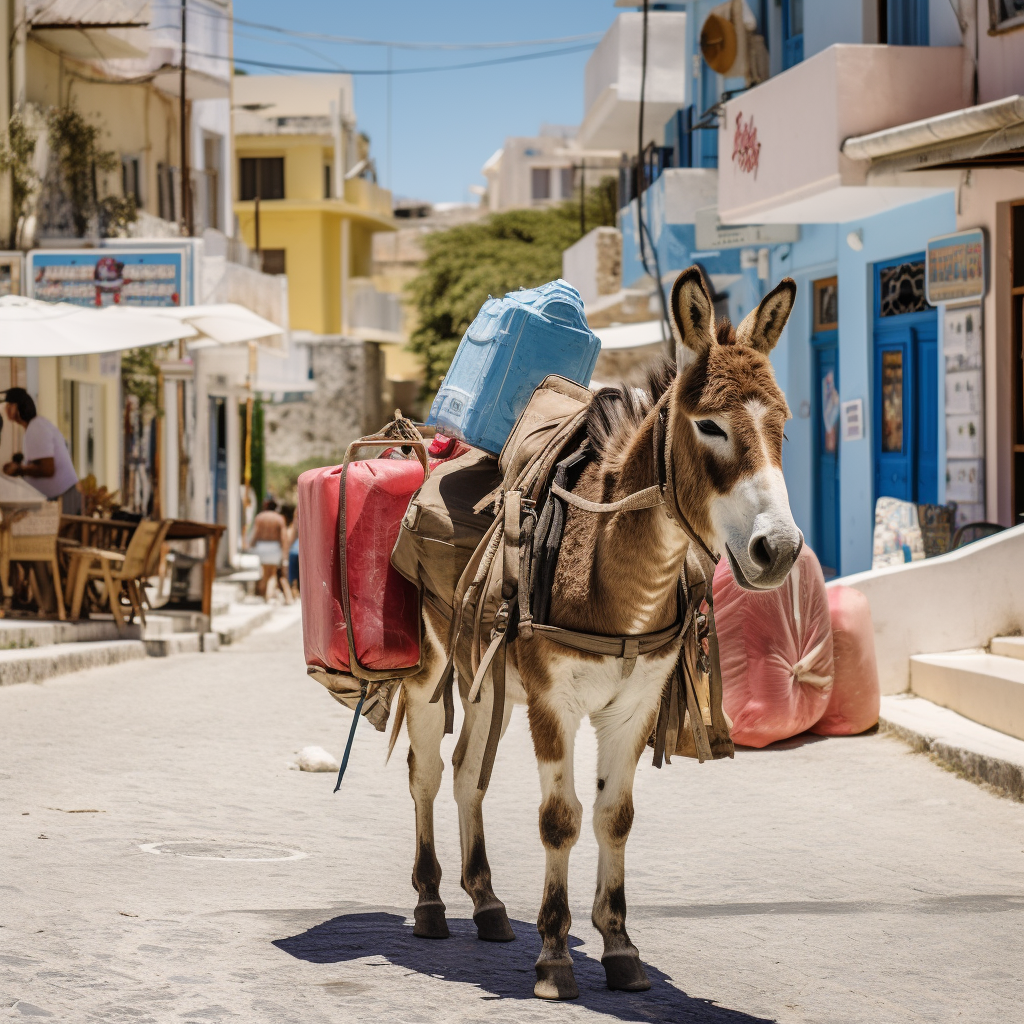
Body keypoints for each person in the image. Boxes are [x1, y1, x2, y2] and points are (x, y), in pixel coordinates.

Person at [1, 387, 80, 514]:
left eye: (9, 405)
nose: (5, 410)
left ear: (16, 408)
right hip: (60, 497)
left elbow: (47, 469)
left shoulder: (36, 428)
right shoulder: (35, 426)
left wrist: (19, 469)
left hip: (64, 498)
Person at [248, 497, 288, 601]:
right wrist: (284, 553)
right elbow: (283, 537)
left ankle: (263, 594)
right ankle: (268, 595)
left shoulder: (260, 517)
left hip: (261, 547)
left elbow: (255, 534)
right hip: (274, 548)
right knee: (272, 573)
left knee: (265, 572)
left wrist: (250, 545)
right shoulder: (279, 518)